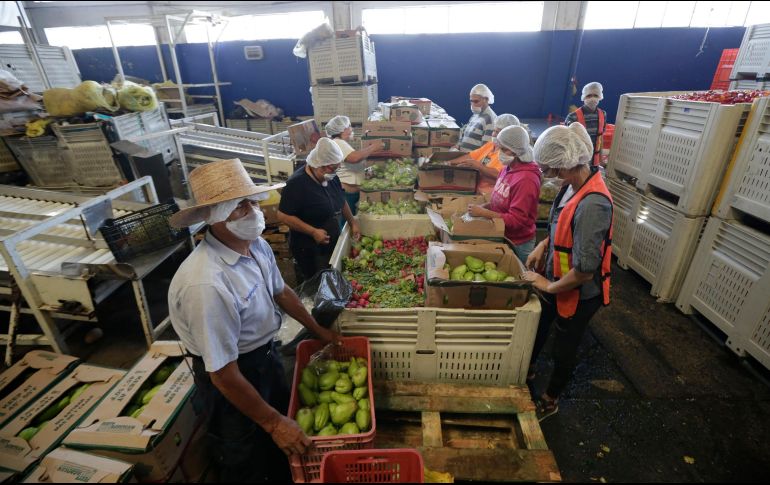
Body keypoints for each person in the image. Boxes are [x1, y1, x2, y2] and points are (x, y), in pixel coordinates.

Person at [167, 158, 340, 482]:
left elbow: (282, 291)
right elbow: (221, 372)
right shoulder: (207, 284)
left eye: (252, 201)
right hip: (233, 377)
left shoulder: (255, 245)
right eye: (239, 206)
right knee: (245, 452)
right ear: (214, 217)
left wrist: (318, 330)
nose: (254, 211)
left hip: (265, 356)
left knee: (278, 438)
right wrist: (274, 423)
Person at [521, 123, 614, 423]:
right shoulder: (570, 187)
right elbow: (564, 225)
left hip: (578, 291)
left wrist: (548, 286)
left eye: (549, 168)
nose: (547, 174)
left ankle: (550, 399)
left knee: (565, 347)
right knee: (540, 326)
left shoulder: (594, 204)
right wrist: (543, 244)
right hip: (555, 275)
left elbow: (585, 271)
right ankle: (528, 369)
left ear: (564, 165)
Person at [278, 137, 361, 284]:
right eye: (332, 168)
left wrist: (352, 222)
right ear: (319, 165)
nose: (334, 171)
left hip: (330, 242)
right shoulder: (297, 184)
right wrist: (312, 231)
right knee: (316, 284)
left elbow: (341, 201)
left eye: (336, 167)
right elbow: (283, 215)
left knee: (331, 279)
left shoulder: (331, 177)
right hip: (309, 249)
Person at [466, 125, 541, 263]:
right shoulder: (507, 168)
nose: (499, 152)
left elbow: (517, 220)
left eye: (503, 148)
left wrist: (483, 213)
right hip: (501, 235)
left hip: (518, 243)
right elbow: (501, 199)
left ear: (515, 151)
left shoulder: (526, 179)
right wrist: (486, 206)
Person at [324, 115, 385, 215]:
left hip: (350, 194)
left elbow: (348, 165)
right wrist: (373, 147)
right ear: (342, 129)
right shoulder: (338, 142)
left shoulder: (341, 143)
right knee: (346, 224)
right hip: (345, 194)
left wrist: (365, 172)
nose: (351, 129)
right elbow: (354, 158)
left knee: (350, 222)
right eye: (349, 126)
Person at [449, 113, 522, 195]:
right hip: (473, 187)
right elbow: (470, 156)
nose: (493, 134)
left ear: (508, 136)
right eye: (494, 130)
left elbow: (502, 176)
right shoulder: (492, 144)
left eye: (497, 132)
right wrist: (447, 163)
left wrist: (479, 166)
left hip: (488, 195)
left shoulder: (508, 154)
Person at [564, 82, 607, 166]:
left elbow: (600, 137)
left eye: (595, 95)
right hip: (578, 162)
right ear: (583, 97)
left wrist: (601, 160)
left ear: (600, 97)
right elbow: (567, 141)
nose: (592, 98)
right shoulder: (573, 117)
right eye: (589, 95)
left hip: (594, 161)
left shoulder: (603, 114)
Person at [457, 83, 497, 152]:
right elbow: (465, 136)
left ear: (486, 99)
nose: (473, 105)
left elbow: (486, 150)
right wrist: (458, 146)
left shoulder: (490, 119)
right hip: (464, 158)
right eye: (471, 101)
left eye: (476, 101)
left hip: (472, 161)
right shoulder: (475, 115)